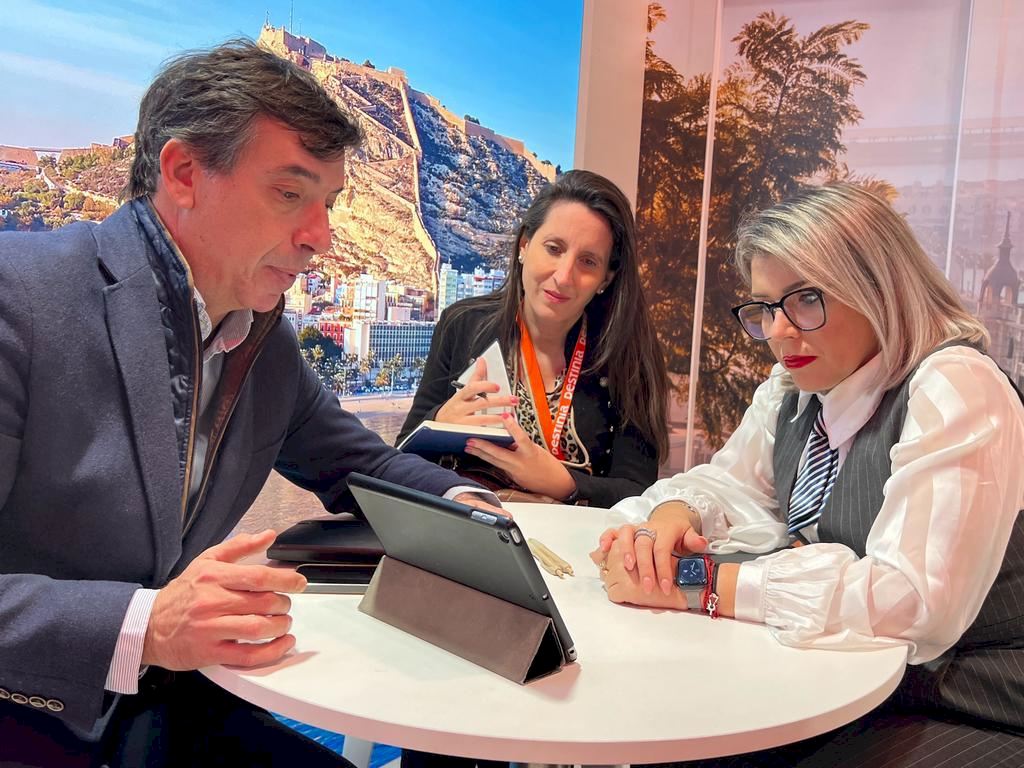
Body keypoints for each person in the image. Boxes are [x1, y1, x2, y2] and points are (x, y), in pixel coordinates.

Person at [0, 40, 499, 768]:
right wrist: (147, 624)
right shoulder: (19, 298)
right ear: (183, 173)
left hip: (167, 711)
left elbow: (364, 469)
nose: (320, 238)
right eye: (290, 194)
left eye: (328, 205)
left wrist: (476, 508)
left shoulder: (265, 344)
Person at [595, 183, 1024, 767]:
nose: (777, 331)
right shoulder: (792, 393)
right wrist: (671, 518)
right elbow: (731, 484)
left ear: (879, 288)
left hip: (976, 695)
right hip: (854, 676)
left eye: (804, 300)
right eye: (766, 308)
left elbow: (912, 601)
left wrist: (695, 584)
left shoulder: (956, 386)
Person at [398, 170, 670, 509]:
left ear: (606, 278)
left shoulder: (630, 358)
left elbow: (639, 493)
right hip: (467, 530)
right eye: (554, 249)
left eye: (588, 262)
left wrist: (566, 484)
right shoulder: (462, 324)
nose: (564, 276)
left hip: (577, 539)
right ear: (524, 246)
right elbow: (400, 460)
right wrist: (438, 422)